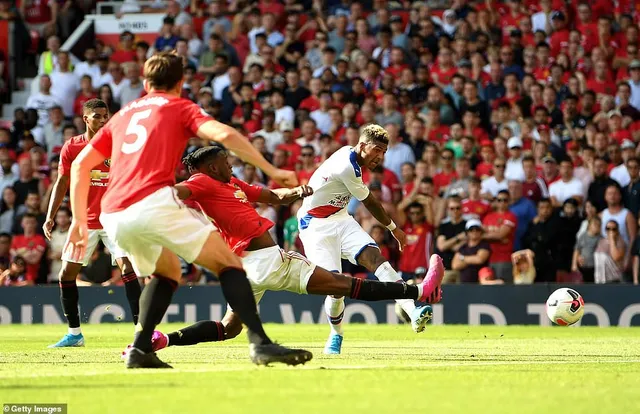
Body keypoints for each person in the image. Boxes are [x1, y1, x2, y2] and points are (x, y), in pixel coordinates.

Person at [64, 53, 311, 368]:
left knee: (167, 272)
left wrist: (76, 220)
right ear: (180, 83)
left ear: (144, 82)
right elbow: (224, 135)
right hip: (151, 200)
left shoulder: (123, 114)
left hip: (113, 212)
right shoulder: (178, 106)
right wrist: (271, 169)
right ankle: (261, 344)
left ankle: (140, 350)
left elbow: (81, 165)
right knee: (229, 264)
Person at [145, 145, 441, 352]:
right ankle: (417, 292)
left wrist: (297, 192)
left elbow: (272, 196)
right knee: (343, 285)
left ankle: (162, 340)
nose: (231, 164)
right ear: (212, 167)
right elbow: (177, 191)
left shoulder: (231, 183)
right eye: (226, 160)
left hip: (244, 269)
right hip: (268, 261)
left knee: (229, 328)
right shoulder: (201, 182)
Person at [297, 124, 444, 355]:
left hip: (340, 218)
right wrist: (394, 228)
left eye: (384, 152)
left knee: (377, 260)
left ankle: (413, 311)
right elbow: (371, 202)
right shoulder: (347, 165)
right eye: (376, 150)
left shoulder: (354, 158)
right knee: (335, 288)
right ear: (363, 145)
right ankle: (336, 334)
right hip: (315, 226)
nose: (380, 156)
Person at [44, 99, 143, 348]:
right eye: (97, 116)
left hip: (114, 216)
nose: (103, 119)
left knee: (128, 268)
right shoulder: (72, 146)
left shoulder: (119, 144)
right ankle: (75, 333)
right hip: (84, 220)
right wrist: (50, 214)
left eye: (105, 115)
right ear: (85, 119)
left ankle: (143, 333)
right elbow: (62, 182)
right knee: (66, 273)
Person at [482, 190, 518, 282]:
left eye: (505, 200)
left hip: (505, 259)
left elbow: (501, 235)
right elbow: (481, 235)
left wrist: (490, 236)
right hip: (490, 258)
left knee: (504, 288)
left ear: (509, 201)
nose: (502, 202)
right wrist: (497, 237)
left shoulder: (511, 216)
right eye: (499, 200)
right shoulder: (488, 217)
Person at [435, 196, 467, 284]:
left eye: (458, 208)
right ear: (448, 210)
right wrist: (458, 238)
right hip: (446, 268)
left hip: (463, 268)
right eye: (452, 208)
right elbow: (441, 246)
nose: (455, 211)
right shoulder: (443, 226)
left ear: (462, 209)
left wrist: (449, 244)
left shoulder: (467, 225)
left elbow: (461, 246)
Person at [451, 219, 491, 284]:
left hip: (481, 283)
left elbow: (479, 259)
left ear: (481, 231)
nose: (474, 231)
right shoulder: (463, 247)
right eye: (471, 229)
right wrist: (473, 259)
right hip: (464, 284)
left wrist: (462, 258)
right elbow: (455, 265)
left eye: (477, 229)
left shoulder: (484, 245)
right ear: (467, 232)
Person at [572, 216, 602, 283]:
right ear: (589, 225)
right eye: (595, 224)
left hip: (595, 268)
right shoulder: (583, 236)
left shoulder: (600, 239)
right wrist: (574, 264)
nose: (596, 227)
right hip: (583, 266)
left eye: (599, 225)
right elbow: (577, 249)